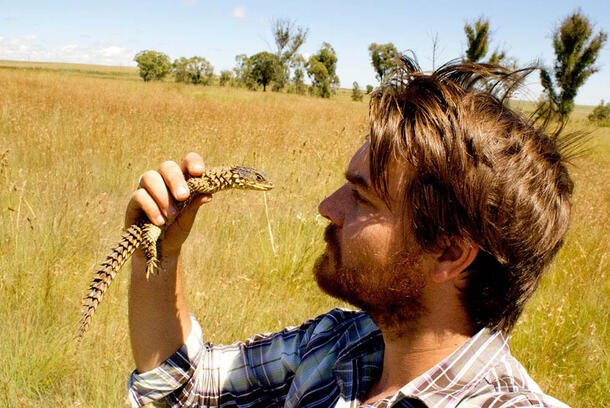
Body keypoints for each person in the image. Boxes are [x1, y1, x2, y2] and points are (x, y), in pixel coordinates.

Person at [125, 57, 573, 407]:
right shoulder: (339, 344)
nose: (327, 208)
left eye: (363, 198)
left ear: (449, 254)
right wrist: (157, 254)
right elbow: (186, 389)